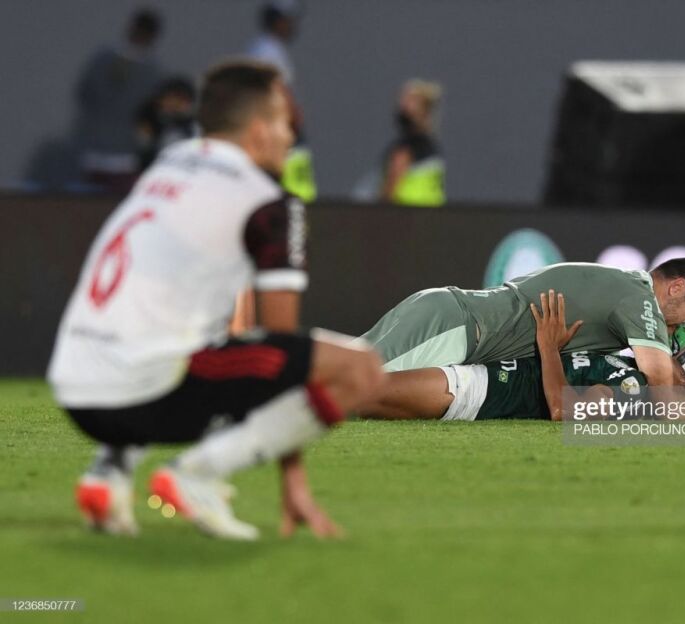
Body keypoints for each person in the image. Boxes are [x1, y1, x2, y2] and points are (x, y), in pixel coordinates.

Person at [47, 61, 385, 541]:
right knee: (361, 369)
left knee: (188, 330)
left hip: (74, 384)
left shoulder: (171, 162)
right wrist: (292, 477)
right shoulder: (269, 202)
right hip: (142, 393)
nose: (291, 137)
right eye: (284, 123)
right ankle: (197, 475)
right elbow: (285, 353)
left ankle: (108, 474)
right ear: (259, 131)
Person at [361, 291, 685, 422]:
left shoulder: (633, 392)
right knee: (355, 370)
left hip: (483, 388)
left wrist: (550, 348)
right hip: (483, 351)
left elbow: (562, 409)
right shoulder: (631, 360)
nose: (681, 342)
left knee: (363, 391)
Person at [362, 258, 685, 388]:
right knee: (349, 383)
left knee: (344, 366)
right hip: (455, 325)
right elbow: (658, 380)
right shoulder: (639, 298)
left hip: (447, 314)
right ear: (676, 287)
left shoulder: (627, 290)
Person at [74, 8, 165, 192]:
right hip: (96, 151)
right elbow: (85, 94)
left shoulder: (153, 74)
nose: (140, 36)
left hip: (126, 157)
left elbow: (152, 115)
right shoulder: (104, 60)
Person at [245, 0, 316, 203]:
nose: (292, 26)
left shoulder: (264, 47)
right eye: (289, 20)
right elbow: (277, 88)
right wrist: (294, 120)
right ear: (278, 20)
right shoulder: (268, 50)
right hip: (272, 133)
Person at [379, 79, 445, 207]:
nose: (403, 106)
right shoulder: (433, 149)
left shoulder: (406, 149)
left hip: (407, 215)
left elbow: (389, 191)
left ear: (425, 110)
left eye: (411, 102)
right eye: (403, 101)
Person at [135, 76, 197, 171]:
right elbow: (143, 146)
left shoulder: (192, 126)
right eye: (171, 98)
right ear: (160, 99)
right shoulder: (148, 117)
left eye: (181, 100)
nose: (175, 104)